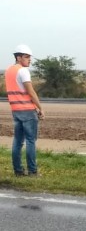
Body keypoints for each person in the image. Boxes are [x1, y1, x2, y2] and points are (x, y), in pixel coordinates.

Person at [5, 44, 44, 176]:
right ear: (19, 57)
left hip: (15, 110)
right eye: (27, 57)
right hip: (27, 110)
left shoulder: (9, 70)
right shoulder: (23, 71)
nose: (29, 60)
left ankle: (18, 171)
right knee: (31, 141)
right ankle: (33, 171)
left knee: (17, 141)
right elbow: (31, 92)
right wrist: (40, 108)